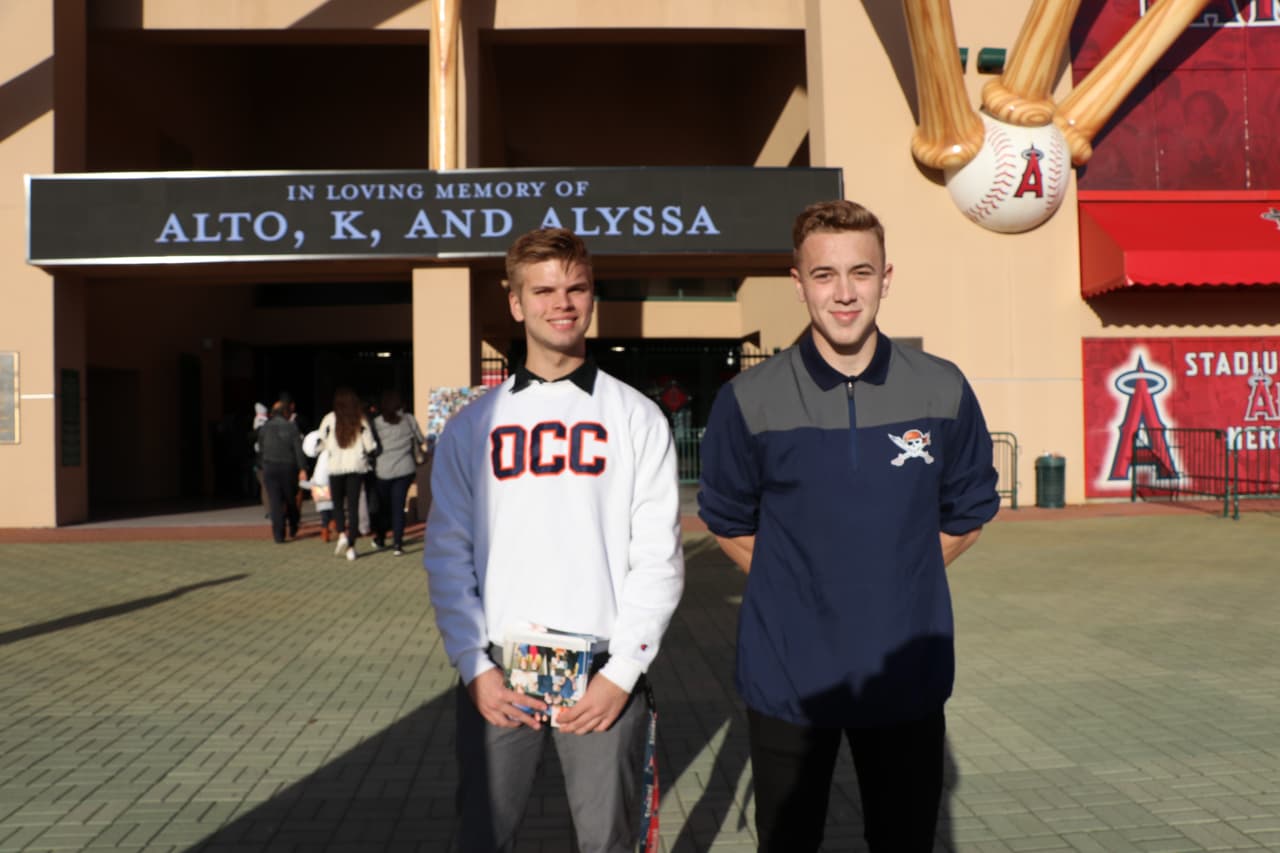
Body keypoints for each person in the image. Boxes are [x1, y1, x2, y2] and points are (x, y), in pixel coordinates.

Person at [697, 200, 1000, 852]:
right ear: (798, 283)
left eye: (860, 272)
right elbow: (727, 520)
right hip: (789, 674)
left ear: (885, 278)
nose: (843, 293)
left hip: (904, 671)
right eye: (824, 274)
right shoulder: (748, 399)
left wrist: (892, 580)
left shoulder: (942, 389)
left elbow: (967, 514)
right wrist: (806, 590)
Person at [423, 227, 684, 852]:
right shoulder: (471, 426)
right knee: (482, 838)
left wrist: (624, 672)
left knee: (607, 842)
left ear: (592, 296)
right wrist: (473, 666)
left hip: (601, 673)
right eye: (542, 291)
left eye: (576, 288)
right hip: (500, 670)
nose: (561, 303)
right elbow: (447, 555)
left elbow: (658, 558)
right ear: (516, 303)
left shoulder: (635, 416)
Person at [316, 387, 377, 561]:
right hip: (356, 467)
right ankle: (351, 546)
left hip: (335, 467)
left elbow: (321, 442)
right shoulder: (361, 419)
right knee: (353, 506)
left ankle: (342, 534)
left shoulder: (329, 419)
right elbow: (370, 445)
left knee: (337, 504)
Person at [371, 389, 426, 556]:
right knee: (399, 506)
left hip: (383, 470)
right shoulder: (408, 419)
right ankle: (397, 544)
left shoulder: (377, 423)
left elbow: (372, 446)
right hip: (405, 469)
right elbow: (420, 439)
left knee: (383, 507)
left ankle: (380, 538)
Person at [256, 400, 307, 543]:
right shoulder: (291, 427)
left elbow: (261, 448)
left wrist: (262, 464)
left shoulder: (265, 428)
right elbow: (298, 450)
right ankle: (293, 524)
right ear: (286, 413)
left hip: (270, 467)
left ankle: (279, 534)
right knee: (290, 498)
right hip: (288, 467)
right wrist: (302, 468)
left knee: (275, 501)